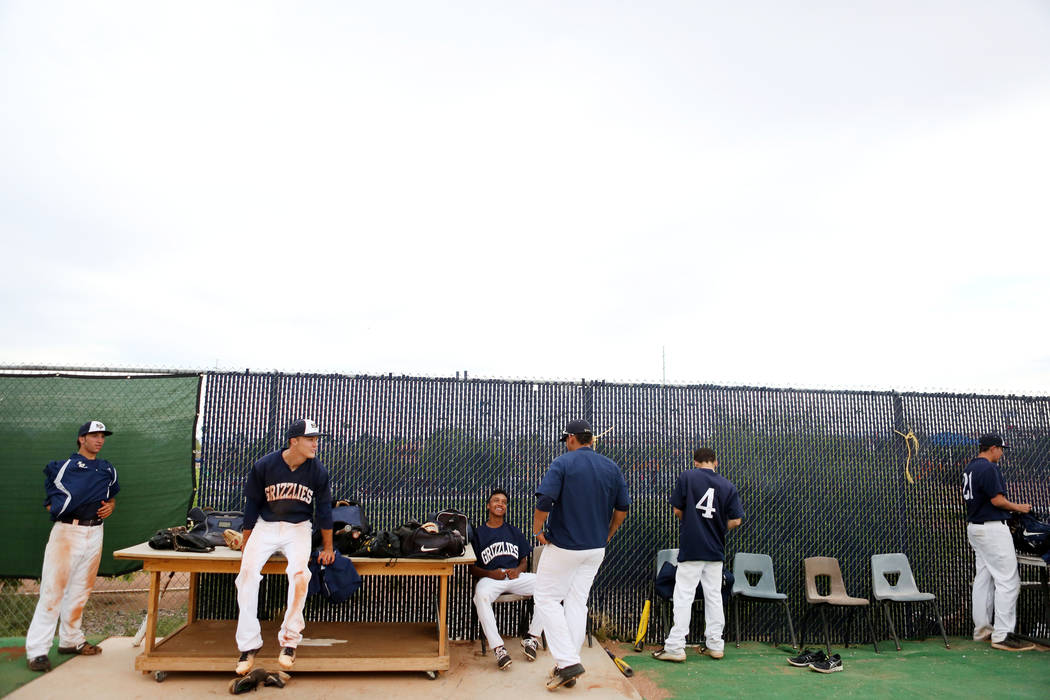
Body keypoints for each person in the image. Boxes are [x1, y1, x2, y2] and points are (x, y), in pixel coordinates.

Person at [532, 419, 630, 690]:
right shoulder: (611, 467)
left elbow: (544, 501)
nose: (565, 443)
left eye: (566, 439)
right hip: (595, 550)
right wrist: (608, 534)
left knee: (546, 598)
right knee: (576, 602)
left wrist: (537, 529)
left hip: (565, 546)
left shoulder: (563, 463)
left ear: (573, 438)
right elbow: (622, 509)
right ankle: (570, 664)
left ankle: (566, 663)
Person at [234, 418, 335, 674]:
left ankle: (289, 642)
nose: (315, 444)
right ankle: (248, 646)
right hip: (265, 526)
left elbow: (324, 511)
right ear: (294, 441)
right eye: (310, 439)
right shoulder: (265, 465)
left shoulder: (318, 471)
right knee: (246, 575)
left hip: (298, 528)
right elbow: (252, 505)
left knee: (300, 574)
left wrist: (328, 548)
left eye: (316, 439)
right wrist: (246, 542)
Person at [25, 420, 119, 672]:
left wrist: (111, 506)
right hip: (68, 532)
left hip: (95, 530)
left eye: (102, 436)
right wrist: (62, 512)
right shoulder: (62, 467)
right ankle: (37, 652)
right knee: (53, 592)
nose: (100, 439)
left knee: (80, 591)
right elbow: (50, 503)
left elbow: (111, 497)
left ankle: (70, 640)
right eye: (94, 435)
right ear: (81, 439)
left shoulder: (107, 468)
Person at [652, 447, 742, 663]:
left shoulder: (687, 476)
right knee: (714, 596)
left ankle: (675, 646)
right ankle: (715, 644)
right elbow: (737, 520)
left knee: (684, 594)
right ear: (716, 462)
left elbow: (677, 510)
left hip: (692, 546)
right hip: (715, 549)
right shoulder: (727, 485)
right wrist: (718, 528)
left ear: (695, 462)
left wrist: (692, 522)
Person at [963, 433, 1035, 651]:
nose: (1002, 453)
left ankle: (982, 630)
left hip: (975, 528)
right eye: (1001, 449)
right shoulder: (989, 468)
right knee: (1008, 581)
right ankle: (1002, 635)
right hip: (992, 528)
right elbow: (997, 500)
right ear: (992, 448)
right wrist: (1019, 507)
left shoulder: (970, 467)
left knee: (984, 578)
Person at [469, 489, 544, 670]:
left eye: (503, 502)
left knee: (548, 586)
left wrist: (518, 570)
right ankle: (499, 648)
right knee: (481, 596)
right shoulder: (478, 534)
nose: (500, 504)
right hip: (491, 579)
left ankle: (532, 638)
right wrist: (490, 573)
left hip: (514, 577)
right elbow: (472, 568)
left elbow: (524, 561)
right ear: (488, 505)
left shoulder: (514, 531)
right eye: (496, 500)